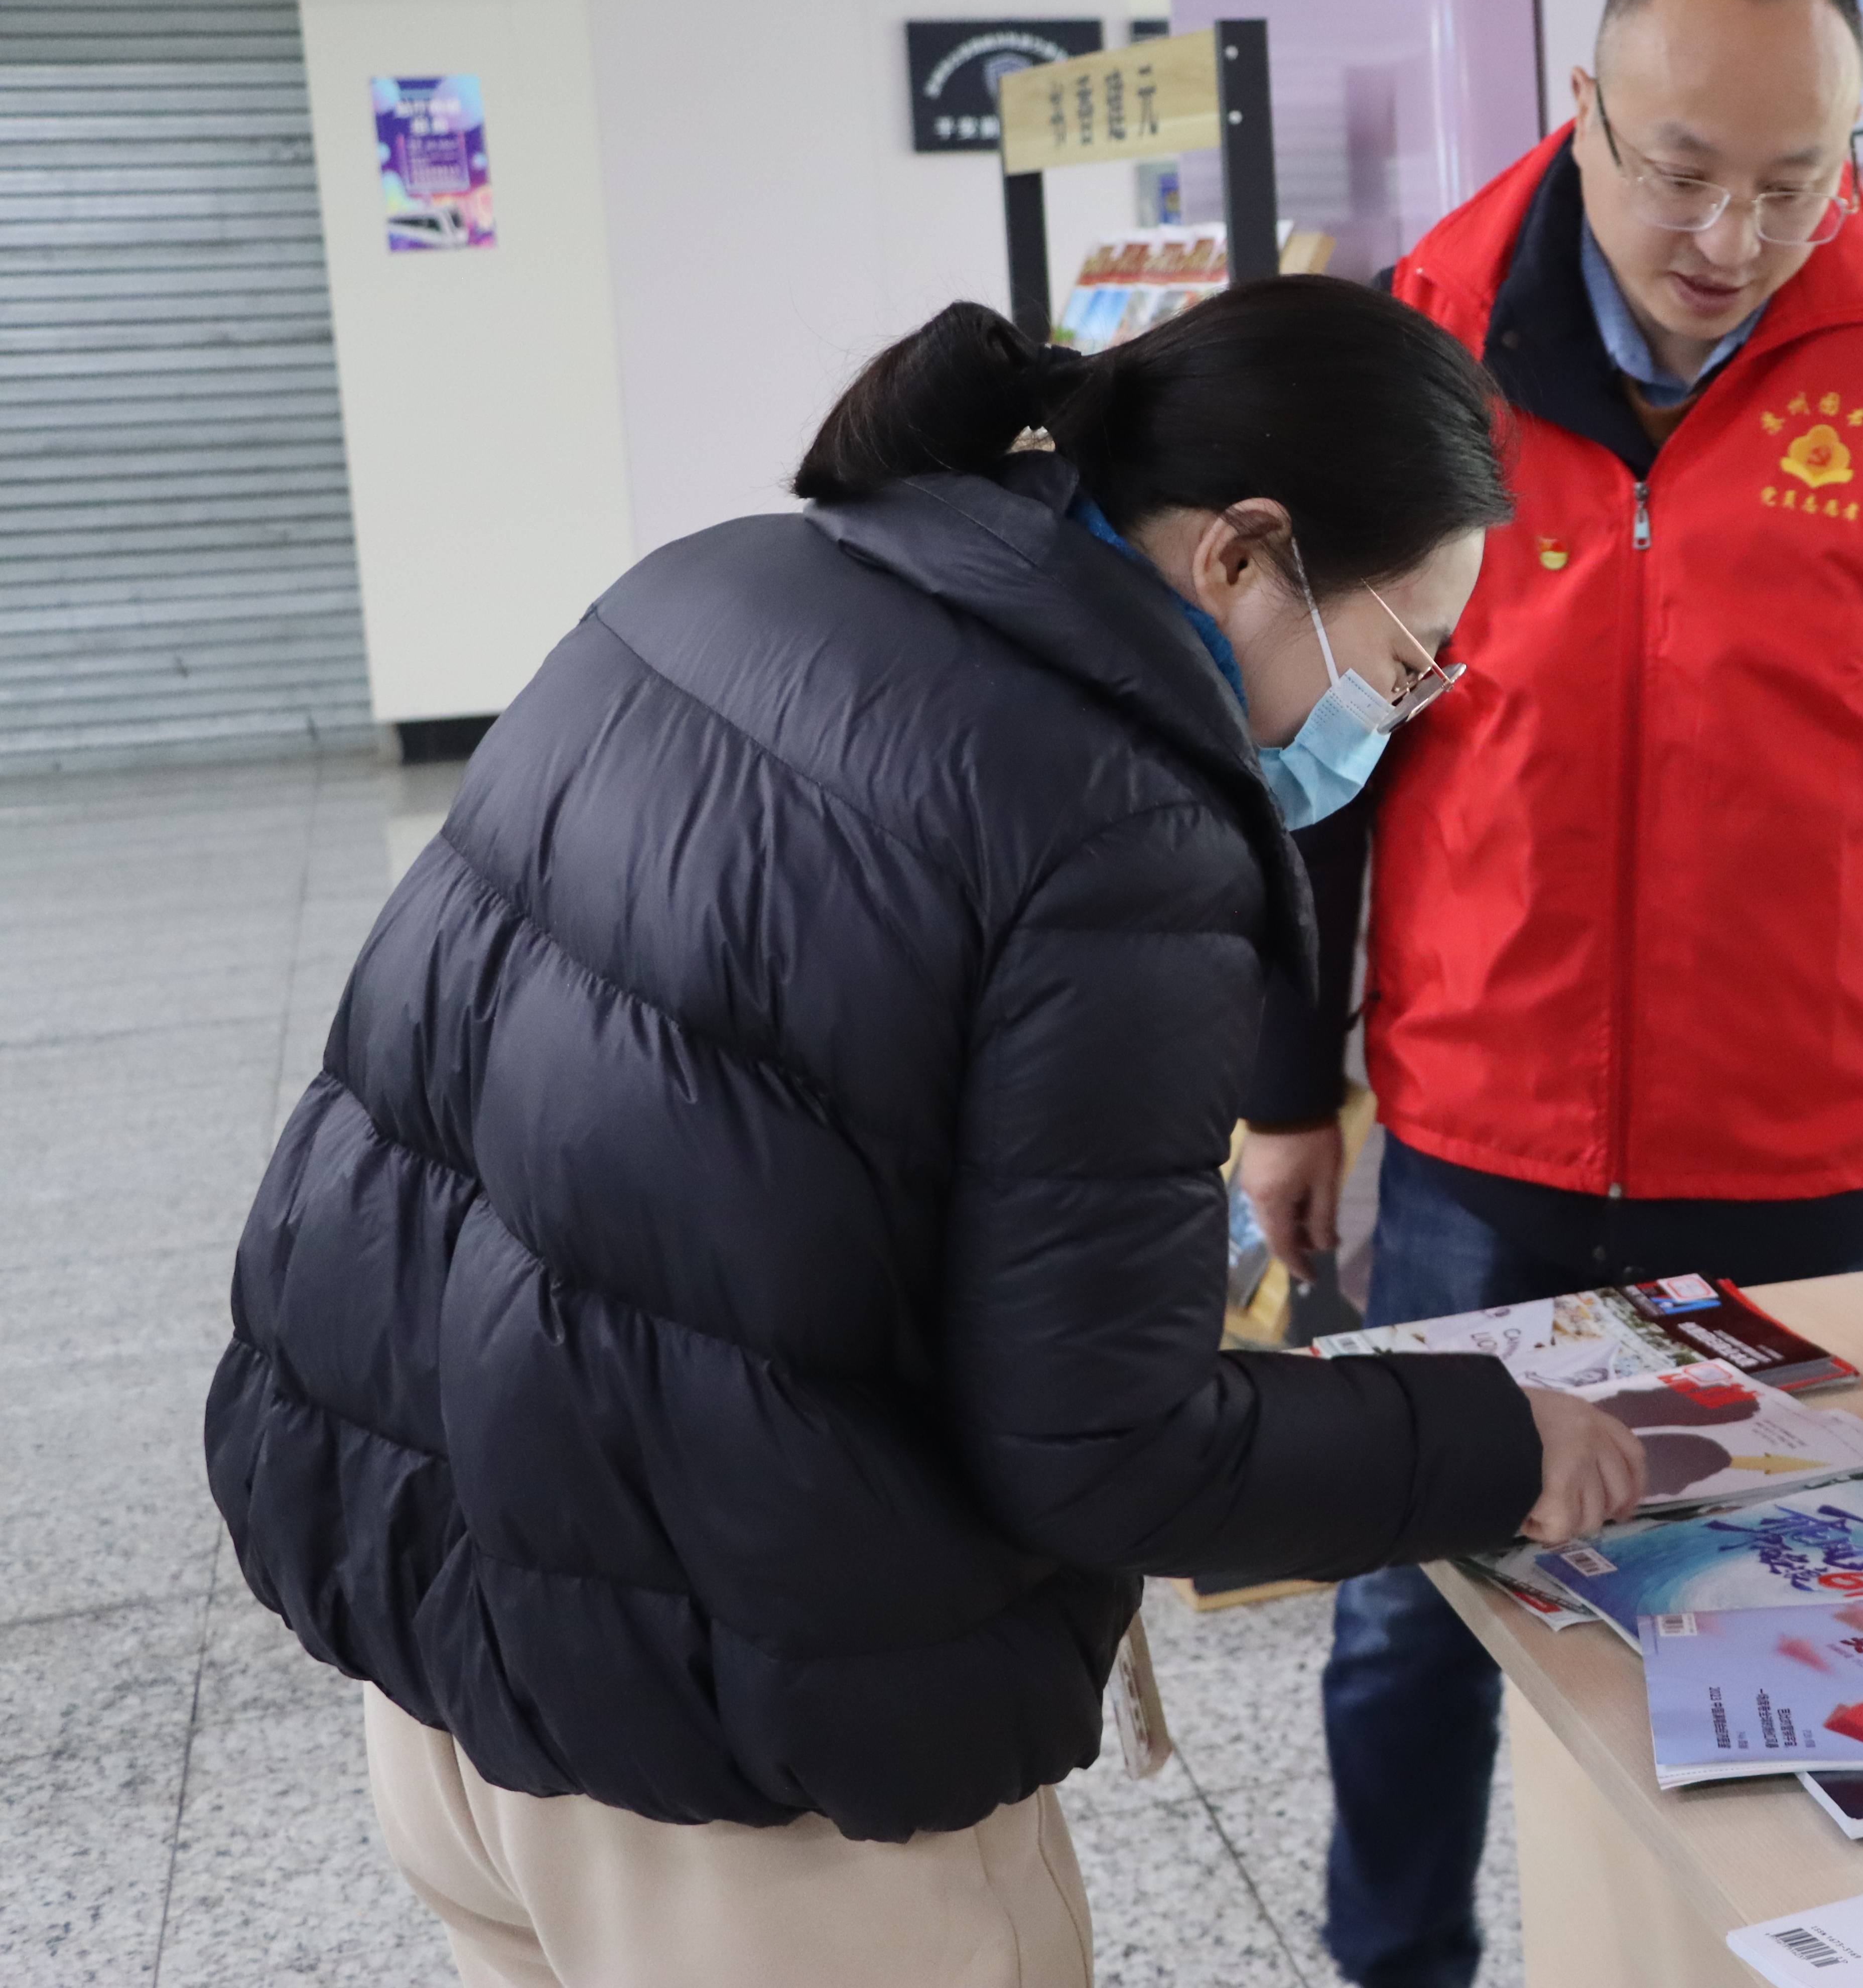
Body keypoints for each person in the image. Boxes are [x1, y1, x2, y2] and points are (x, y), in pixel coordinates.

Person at [201, 283, 1650, 1988]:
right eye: (1400, 661)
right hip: (742, 1777)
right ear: (1242, 557)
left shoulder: (727, 576)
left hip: (451, 1645)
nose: (1387, 723)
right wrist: (1488, 1441)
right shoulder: (1121, 828)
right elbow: (1106, 1447)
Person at [1236, 0, 1863, 1988]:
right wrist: (1282, 1081)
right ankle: (1396, 1960)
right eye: (1684, 165)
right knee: (1413, 1602)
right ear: (1583, 114)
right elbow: (1311, 746)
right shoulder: (1413, 333)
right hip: (1479, 1121)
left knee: (1792, 1600)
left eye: (1798, 179)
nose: (1735, 230)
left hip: (1801, 1126)